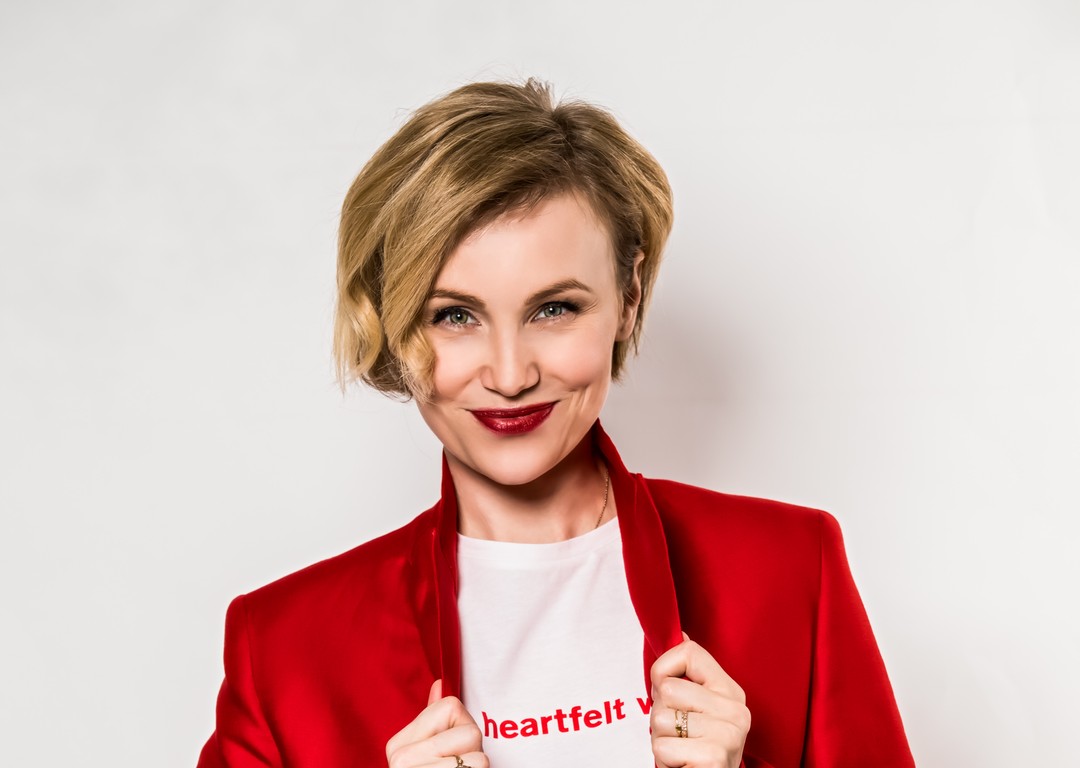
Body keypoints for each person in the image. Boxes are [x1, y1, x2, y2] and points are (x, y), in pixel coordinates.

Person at [197, 80, 914, 768]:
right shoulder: (287, 647)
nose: (510, 375)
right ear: (392, 324)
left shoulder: (789, 571)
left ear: (629, 298)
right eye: (454, 315)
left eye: (554, 309)